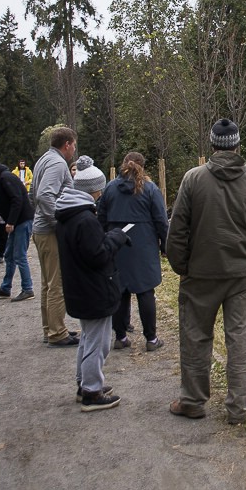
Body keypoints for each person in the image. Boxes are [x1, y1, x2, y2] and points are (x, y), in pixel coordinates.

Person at [166, 118, 246, 425]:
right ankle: (239, 408)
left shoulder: (192, 179)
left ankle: (192, 401)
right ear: (238, 145)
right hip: (242, 278)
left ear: (212, 145)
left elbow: (176, 232)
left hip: (200, 277)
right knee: (241, 341)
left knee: (195, 337)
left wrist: (183, 267)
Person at [56, 162, 131, 412]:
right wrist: (116, 238)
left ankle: (84, 383)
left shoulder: (68, 215)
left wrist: (107, 237)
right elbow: (97, 256)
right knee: (99, 343)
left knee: (88, 339)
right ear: (94, 191)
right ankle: (92, 391)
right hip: (93, 290)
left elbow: (88, 249)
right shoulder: (85, 219)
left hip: (79, 287)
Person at [99, 151, 168, 353]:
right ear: (142, 166)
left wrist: (104, 243)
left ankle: (120, 337)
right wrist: (165, 246)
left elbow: (100, 219)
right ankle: (151, 339)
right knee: (146, 291)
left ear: (123, 165)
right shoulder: (150, 189)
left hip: (117, 246)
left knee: (119, 292)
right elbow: (161, 221)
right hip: (143, 247)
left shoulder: (110, 188)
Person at [30, 128, 80, 347]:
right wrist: (58, 224)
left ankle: (49, 328)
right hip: (49, 232)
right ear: (67, 144)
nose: (74, 149)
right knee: (57, 282)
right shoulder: (58, 164)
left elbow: (34, 193)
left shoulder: (44, 159)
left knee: (47, 283)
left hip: (40, 229)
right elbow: (44, 194)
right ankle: (57, 333)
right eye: (74, 145)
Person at [0, 158, 35, 304]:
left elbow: (17, 200)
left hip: (23, 221)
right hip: (16, 222)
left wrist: (10, 222)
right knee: (9, 254)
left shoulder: (6, 178)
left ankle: (28, 289)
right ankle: (6, 287)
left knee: (19, 255)